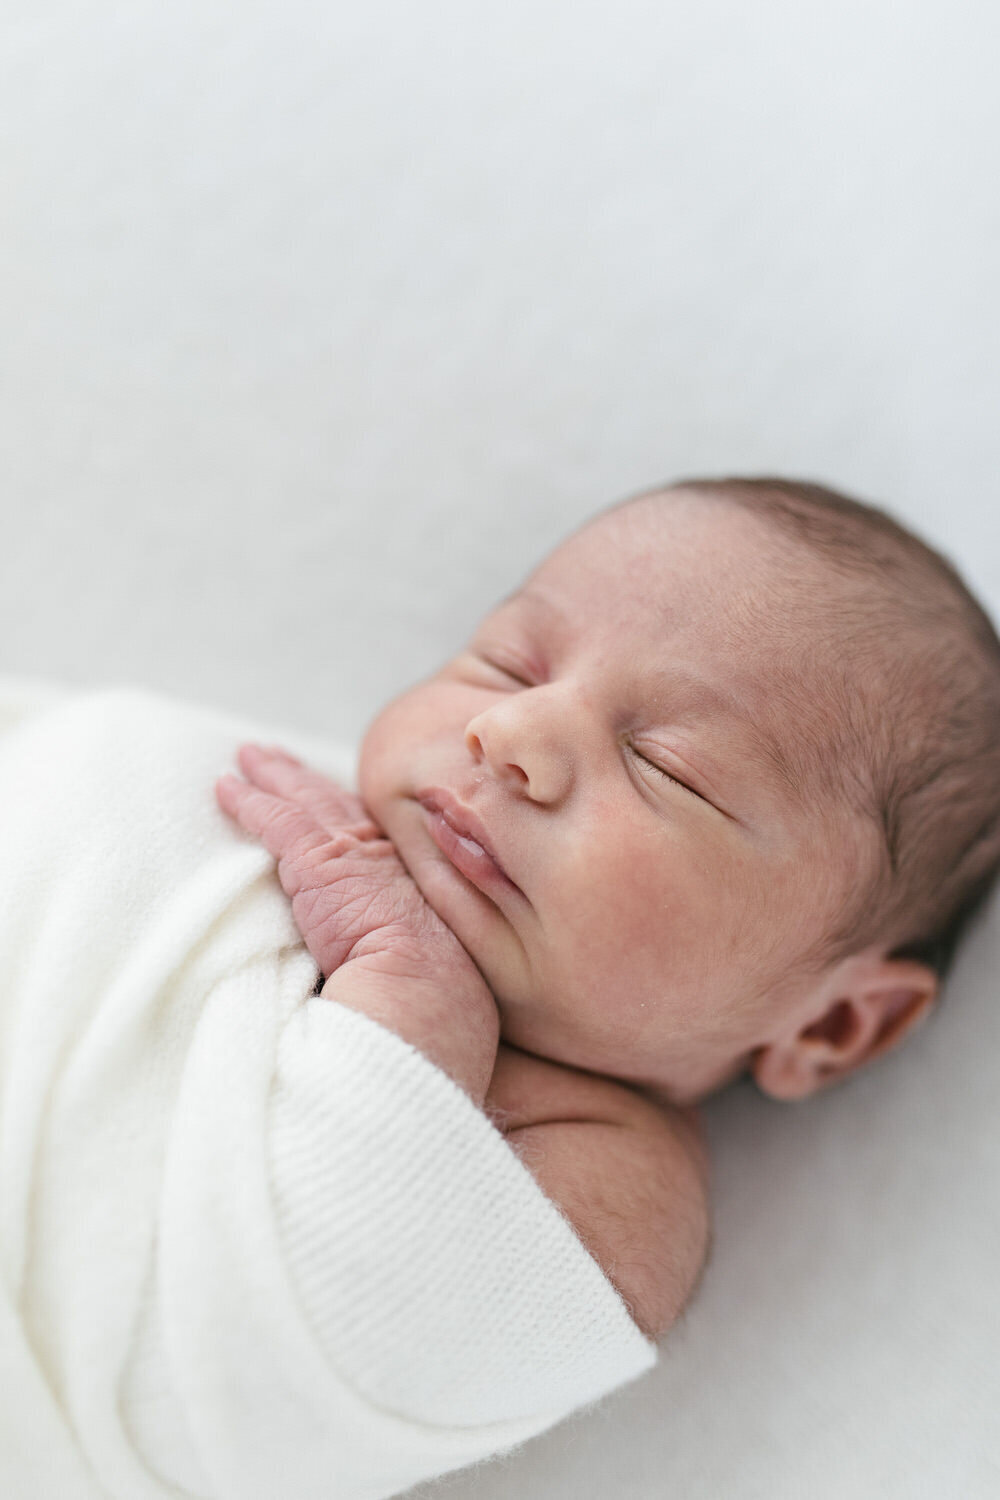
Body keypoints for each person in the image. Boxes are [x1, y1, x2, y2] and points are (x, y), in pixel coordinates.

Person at [3, 476, 998, 1500]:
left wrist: (407, 998)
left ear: (831, 1022)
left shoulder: (611, 1168)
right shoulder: (346, 801)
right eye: (507, 663)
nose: (510, 735)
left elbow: (276, 1375)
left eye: (666, 767)